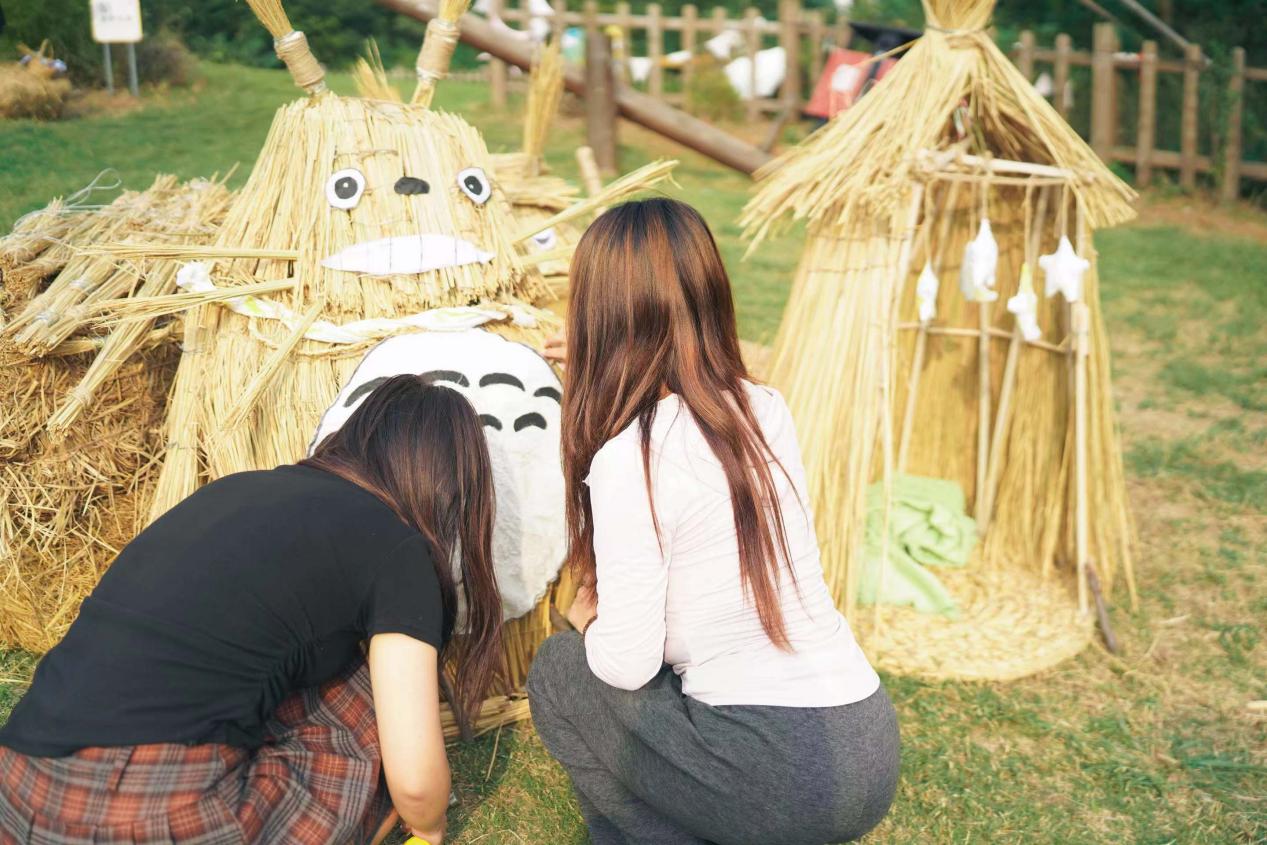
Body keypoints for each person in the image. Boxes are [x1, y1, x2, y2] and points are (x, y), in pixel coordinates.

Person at [530, 198, 899, 845]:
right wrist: (602, 356)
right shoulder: (764, 410)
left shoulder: (631, 460)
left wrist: (588, 622)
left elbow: (627, 665)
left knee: (562, 668)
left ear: (597, 315)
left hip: (778, 770)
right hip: (867, 744)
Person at [0, 375, 503, 845]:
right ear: (449, 488)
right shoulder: (399, 550)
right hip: (137, 814)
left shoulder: (236, 489)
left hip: (17, 788)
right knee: (370, 687)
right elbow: (415, 783)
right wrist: (429, 828)